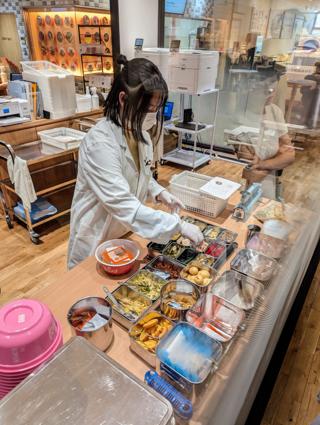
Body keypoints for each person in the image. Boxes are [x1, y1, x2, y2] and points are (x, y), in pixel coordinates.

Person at [68, 55, 203, 269]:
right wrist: (178, 225)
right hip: (95, 238)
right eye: (148, 109)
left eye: (156, 109)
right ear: (123, 99)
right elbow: (123, 203)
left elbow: (141, 173)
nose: (153, 115)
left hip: (123, 231)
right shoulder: (100, 144)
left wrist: (159, 192)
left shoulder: (141, 135)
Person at [241, 83, 295, 199]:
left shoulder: (275, 111)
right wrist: (275, 159)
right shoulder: (240, 114)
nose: (270, 94)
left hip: (268, 179)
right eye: (265, 90)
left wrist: (263, 164)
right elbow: (250, 169)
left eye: (272, 90)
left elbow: (289, 156)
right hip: (241, 181)